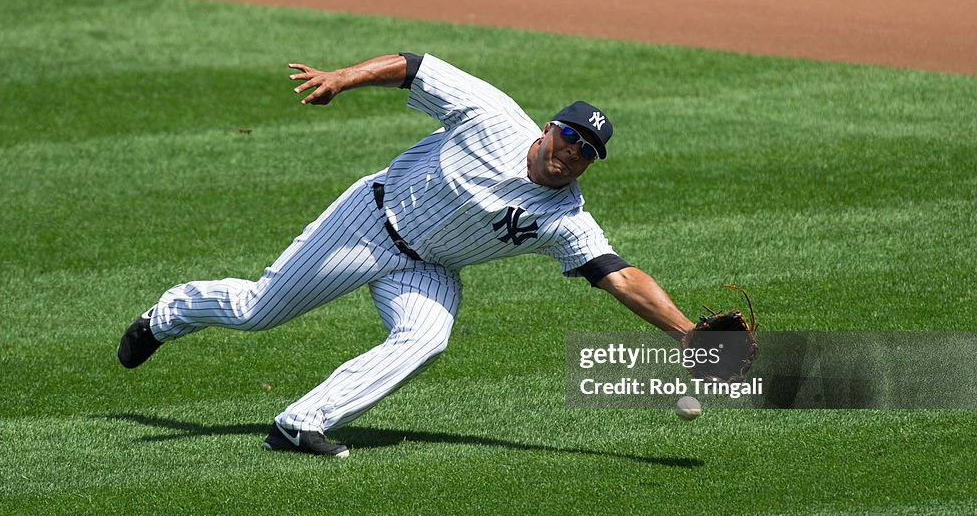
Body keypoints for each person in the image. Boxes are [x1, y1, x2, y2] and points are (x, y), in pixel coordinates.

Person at [117, 52, 695, 457]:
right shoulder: (492, 115)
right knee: (257, 311)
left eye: (587, 151)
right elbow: (415, 67)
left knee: (426, 338)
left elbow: (617, 275)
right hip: (370, 221)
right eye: (569, 137)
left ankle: (300, 424)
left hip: (430, 268)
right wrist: (343, 77)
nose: (571, 153)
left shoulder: (566, 217)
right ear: (549, 129)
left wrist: (687, 334)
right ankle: (167, 315)